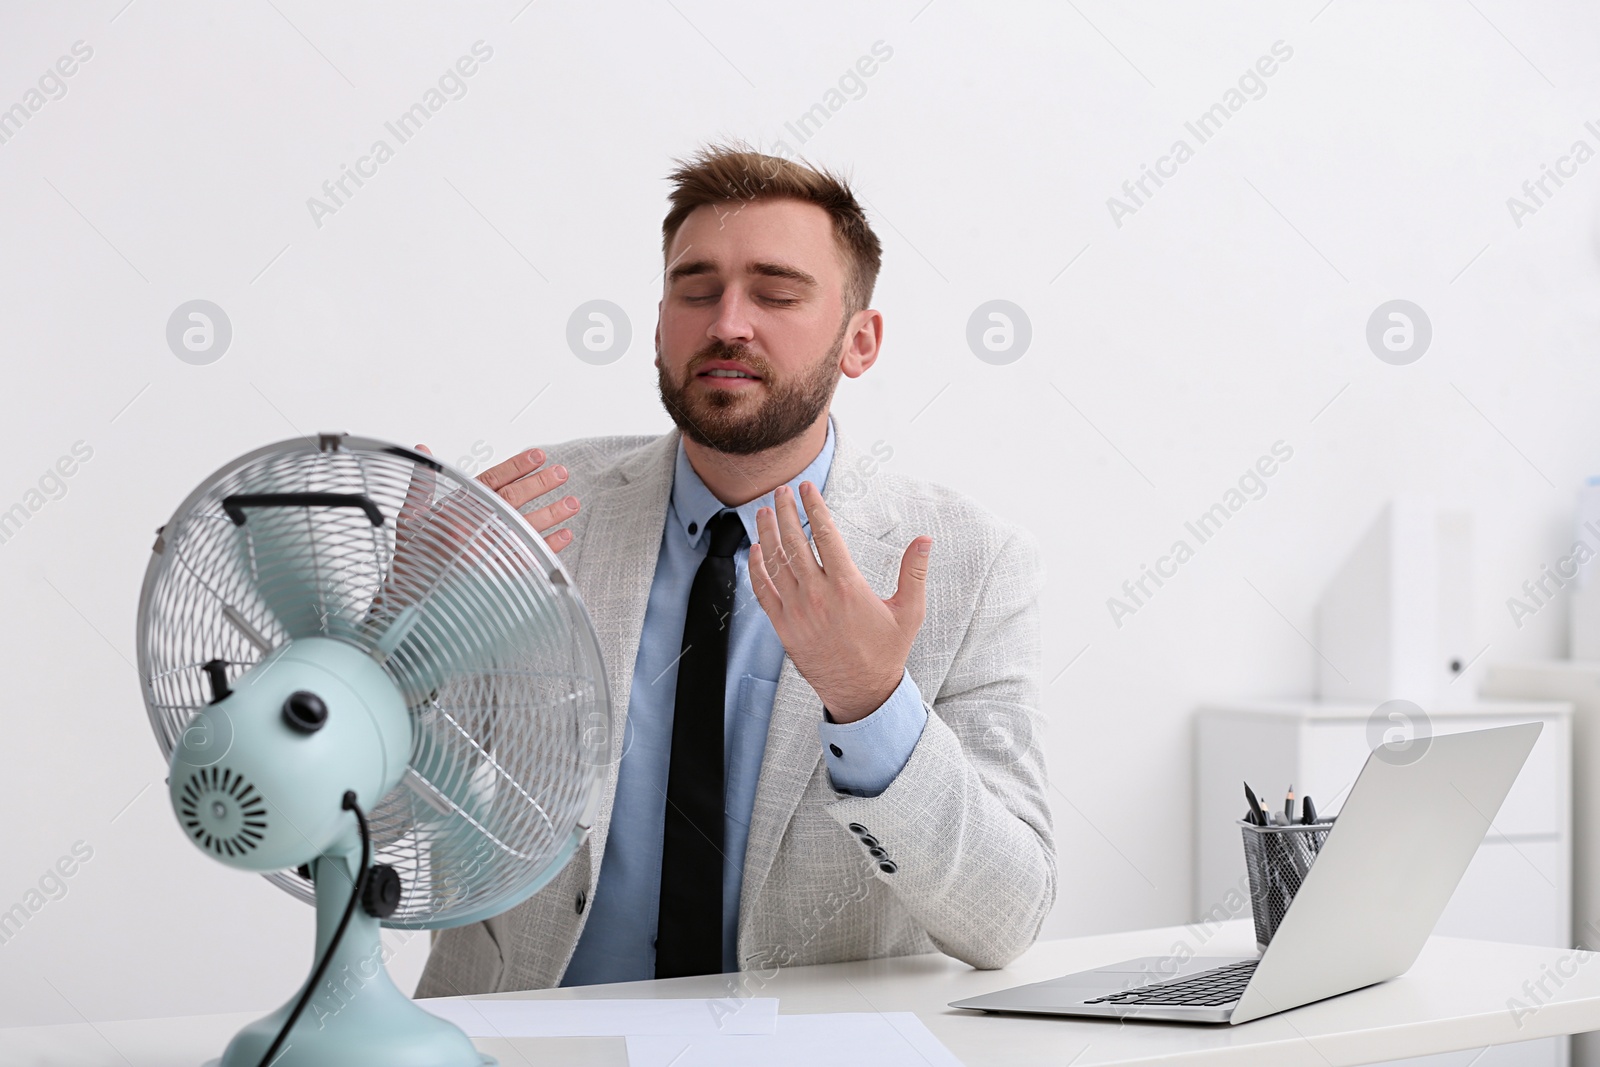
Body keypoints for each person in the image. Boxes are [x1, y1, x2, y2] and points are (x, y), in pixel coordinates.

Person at [414, 142, 1053, 996]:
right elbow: (365, 821)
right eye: (696, 289)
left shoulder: (971, 566)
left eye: (777, 293)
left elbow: (1005, 919)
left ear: (859, 341)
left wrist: (871, 705)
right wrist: (401, 635)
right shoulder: (530, 522)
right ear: (658, 326)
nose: (726, 323)